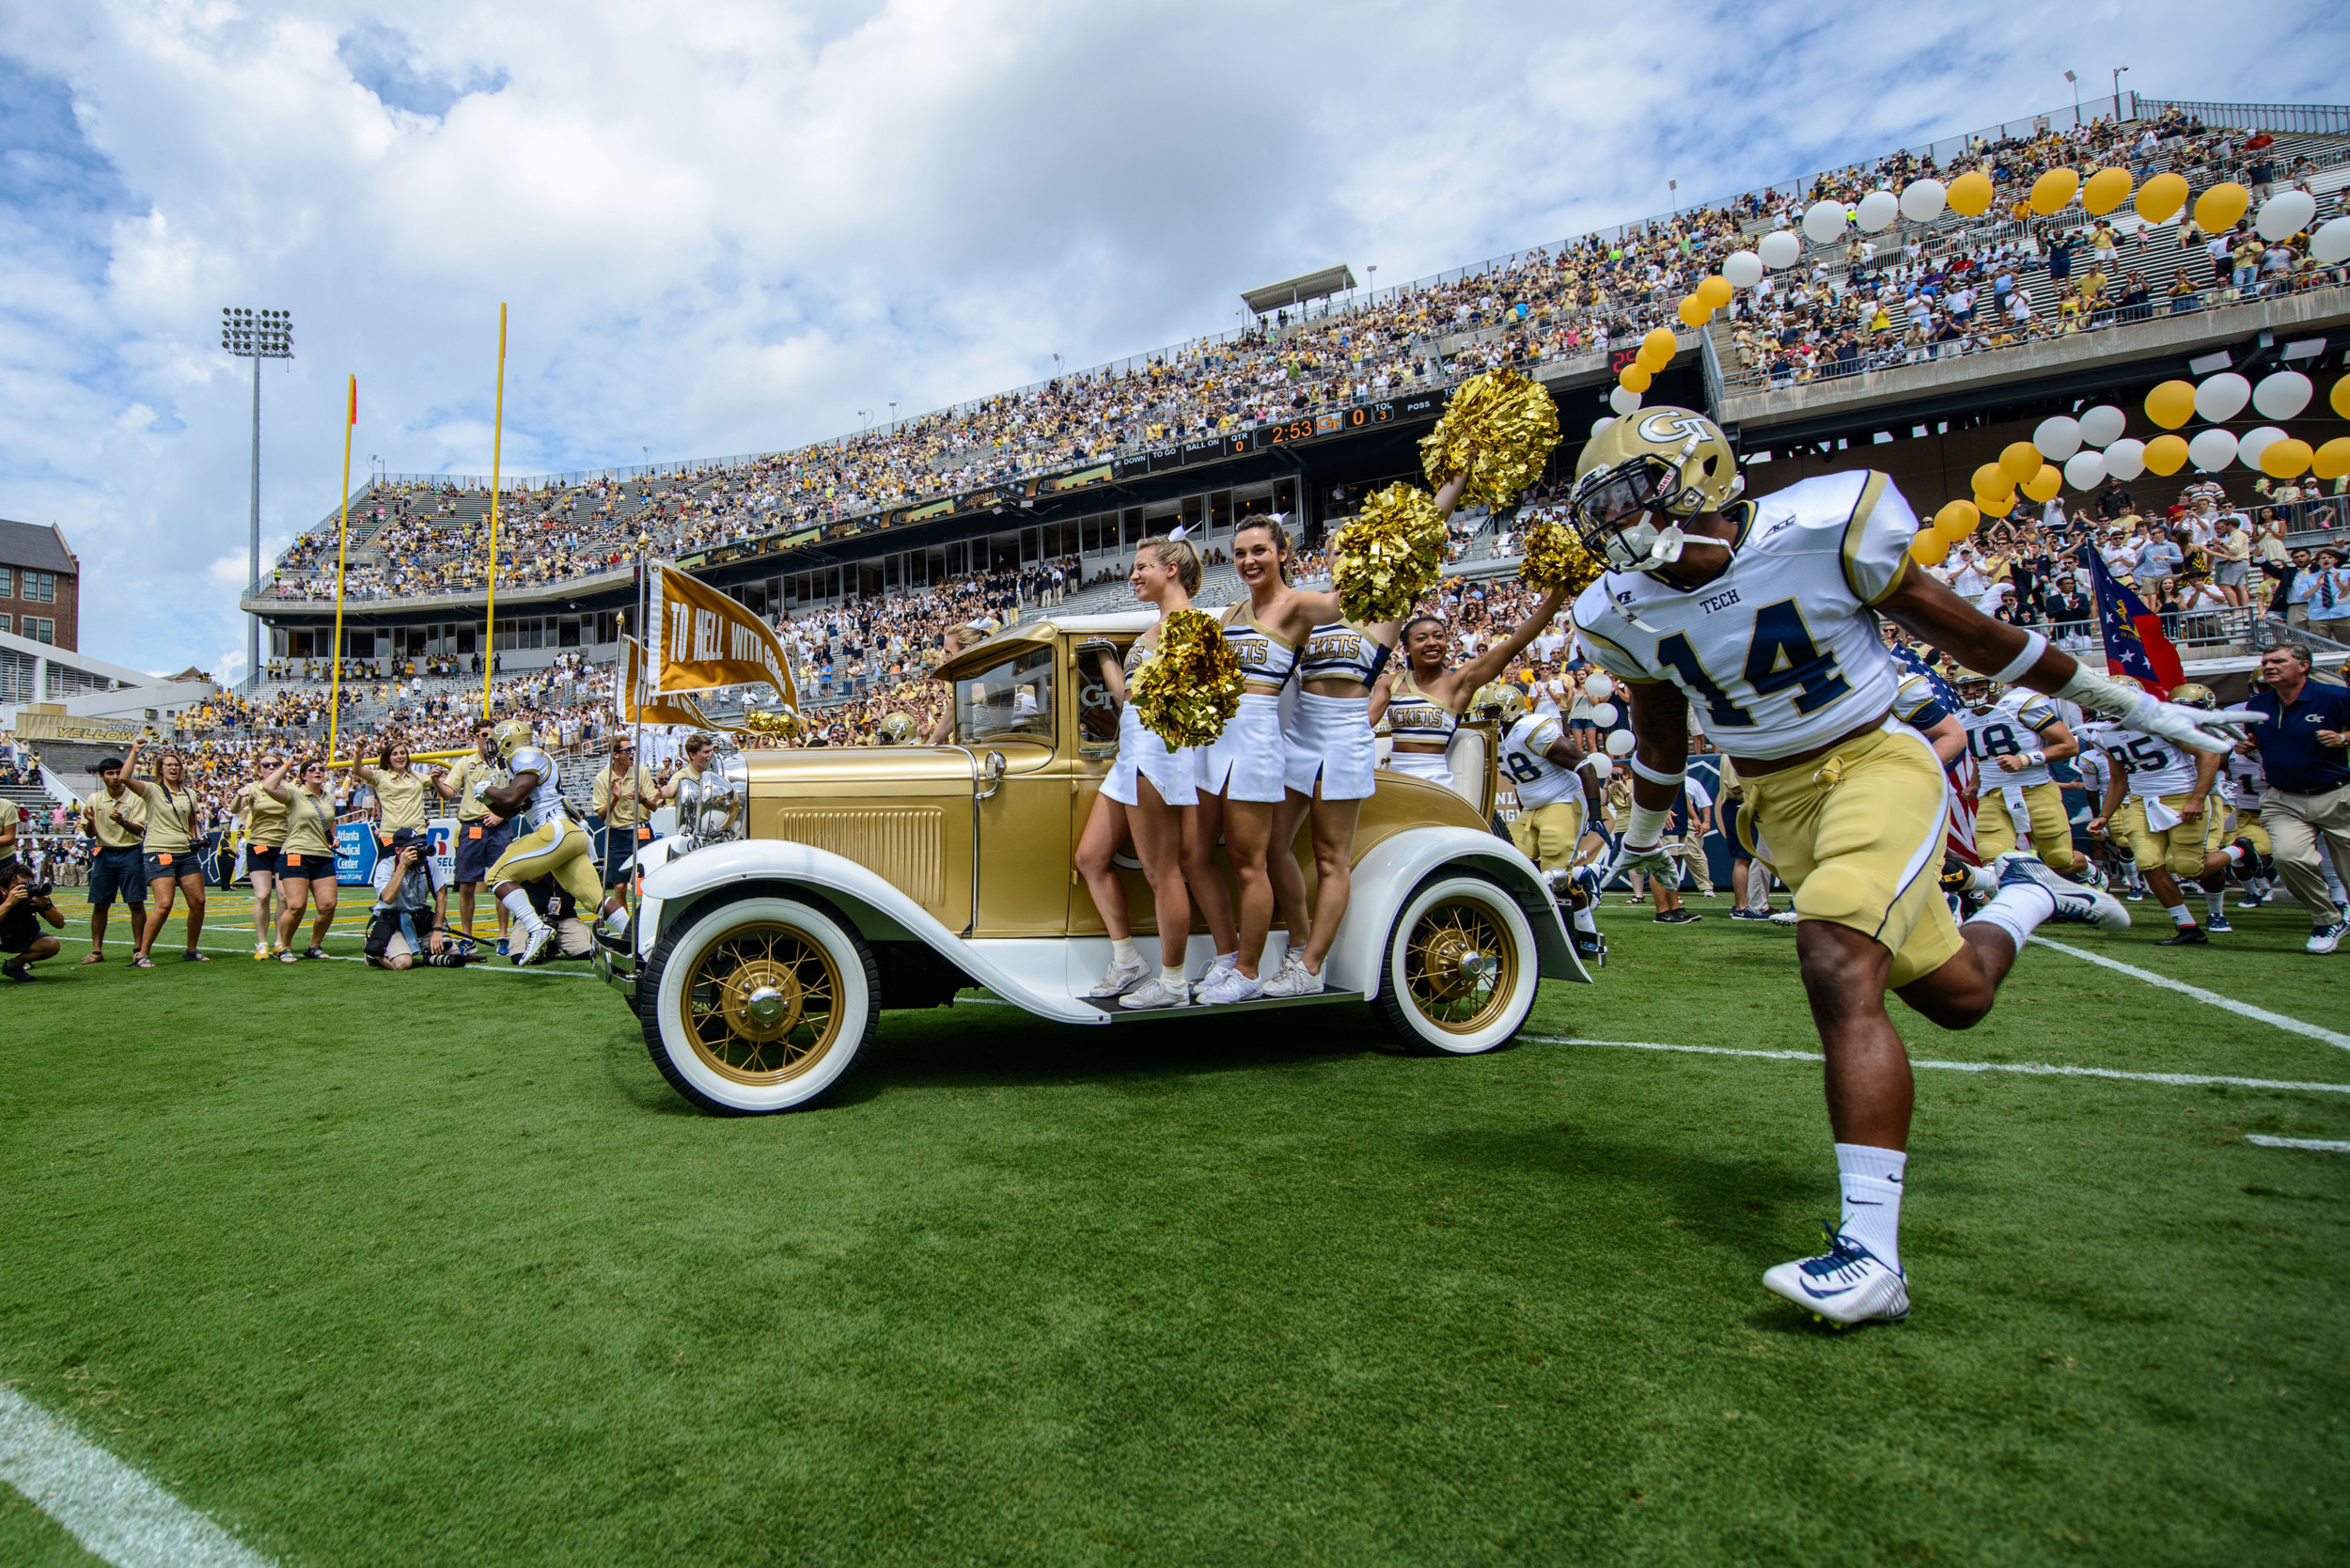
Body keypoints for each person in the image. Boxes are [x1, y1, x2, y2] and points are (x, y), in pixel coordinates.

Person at [1566, 406, 2255, 1326]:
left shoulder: (1820, 528)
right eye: (1600, 508)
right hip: (1776, 806)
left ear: (1702, 477)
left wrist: (2133, 706)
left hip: (1874, 765)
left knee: (1834, 952)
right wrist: (1642, 839)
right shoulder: (1619, 608)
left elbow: (1972, 638)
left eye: (1630, 498)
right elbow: (1656, 737)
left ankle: (1869, 1258)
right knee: (1957, 995)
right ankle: (2025, 897)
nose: (1614, 524)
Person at [1073, 535, 1210, 1011]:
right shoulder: (1154, 629)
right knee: (1090, 858)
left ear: (1171, 569)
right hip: (1129, 755)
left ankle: (1173, 980)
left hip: (1160, 757)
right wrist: (1110, 662)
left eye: (1142, 566)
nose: (1133, 575)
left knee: (1161, 871)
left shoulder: (1194, 626)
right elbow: (1131, 703)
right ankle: (1127, 958)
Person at [2082, 687, 2267, 947]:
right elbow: (2118, 778)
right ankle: (2187, 926)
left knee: (2189, 868)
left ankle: (2240, 850)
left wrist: (2196, 799)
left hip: (2181, 795)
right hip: (2141, 801)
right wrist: (2104, 815)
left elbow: (2209, 754)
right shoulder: (2103, 734)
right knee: (2147, 863)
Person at [479, 719, 630, 965]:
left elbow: (511, 796)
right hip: (571, 835)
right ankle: (640, 942)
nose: (494, 749)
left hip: (555, 829)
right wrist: (487, 798)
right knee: (597, 901)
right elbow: (509, 808)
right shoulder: (526, 761)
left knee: (496, 876)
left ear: (508, 740)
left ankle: (534, 927)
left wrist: (489, 790)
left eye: (496, 743)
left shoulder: (524, 755)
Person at [2238, 642, 2350, 952]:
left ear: (2303, 666)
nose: (2269, 666)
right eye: (2265, 661)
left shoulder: (2335, 697)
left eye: (2278, 661)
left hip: (2337, 794)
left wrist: (2343, 738)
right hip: (2283, 798)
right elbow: (2258, 739)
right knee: (2288, 858)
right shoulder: (2258, 704)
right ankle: (2327, 919)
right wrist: (2247, 746)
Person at [1489, 684, 1608, 963]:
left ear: (1510, 708)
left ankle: (1586, 933)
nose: (1488, 717)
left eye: (1493, 711)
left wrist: (1596, 815)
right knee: (1507, 866)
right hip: (1532, 807)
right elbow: (1522, 782)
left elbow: (1584, 766)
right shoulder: (1496, 737)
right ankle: (1581, 875)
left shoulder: (1530, 728)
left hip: (1563, 799)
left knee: (1554, 874)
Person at [1958, 679, 2086, 876]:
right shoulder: (1962, 718)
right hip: (1993, 795)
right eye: (1965, 688)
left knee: (2060, 860)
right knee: (1992, 861)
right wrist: (1974, 784)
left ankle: (2091, 873)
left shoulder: (2020, 706)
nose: (1971, 692)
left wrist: (2025, 760)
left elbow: (2069, 746)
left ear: (1995, 685)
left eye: (1978, 686)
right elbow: (1982, 756)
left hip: (2036, 790)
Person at [113, 738, 210, 968]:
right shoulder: (152, 791)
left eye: (177, 765)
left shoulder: (189, 794)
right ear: (160, 770)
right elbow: (125, 778)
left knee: (198, 901)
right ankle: (142, 953)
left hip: (185, 852)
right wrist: (136, 750)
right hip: (159, 851)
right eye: (168, 765)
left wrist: (197, 837)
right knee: (164, 904)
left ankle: (191, 949)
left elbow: (191, 822)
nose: (174, 768)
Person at [432, 722, 514, 953]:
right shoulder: (466, 762)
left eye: (493, 735)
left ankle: (502, 936)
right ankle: (467, 937)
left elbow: (518, 795)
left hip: (500, 825)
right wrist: (436, 781)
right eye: (484, 735)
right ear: (475, 737)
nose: (489, 739)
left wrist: (499, 814)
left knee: (503, 882)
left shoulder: (506, 763)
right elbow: (449, 793)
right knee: (467, 883)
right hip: (472, 826)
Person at [351, 738, 446, 926]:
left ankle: (422, 918)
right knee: (391, 878)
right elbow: (357, 770)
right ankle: (384, 918)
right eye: (395, 754)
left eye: (402, 753)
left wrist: (436, 776)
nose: (399, 756)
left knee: (420, 879)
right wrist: (359, 751)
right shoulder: (380, 776)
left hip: (417, 836)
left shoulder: (417, 777)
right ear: (388, 759)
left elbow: (443, 785)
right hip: (390, 837)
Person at [263, 755, 341, 962]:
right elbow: (268, 786)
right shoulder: (294, 793)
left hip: (322, 856)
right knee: (296, 906)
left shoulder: (329, 797)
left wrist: (333, 837)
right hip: (296, 853)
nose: (318, 772)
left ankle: (314, 945)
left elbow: (330, 821)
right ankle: (284, 946)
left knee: (328, 905)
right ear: (303, 775)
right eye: (313, 769)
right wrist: (288, 763)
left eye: (321, 769)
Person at [364, 827, 472, 969]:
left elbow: (441, 895)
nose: (418, 851)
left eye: (419, 845)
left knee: (454, 955)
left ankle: (425, 952)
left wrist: (437, 929)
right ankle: (374, 953)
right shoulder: (385, 866)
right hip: (391, 921)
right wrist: (402, 867)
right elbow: (388, 898)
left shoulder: (428, 863)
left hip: (419, 920)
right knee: (403, 963)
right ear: (398, 851)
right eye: (412, 848)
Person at [80, 755, 147, 964]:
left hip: (130, 852)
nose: (115, 777)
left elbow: (139, 831)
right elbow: (89, 834)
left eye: (119, 772)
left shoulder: (136, 798)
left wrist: (123, 821)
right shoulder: (94, 799)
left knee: (136, 903)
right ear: (102, 777)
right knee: (100, 904)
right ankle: (97, 951)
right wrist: (90, 822)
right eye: (110, 773)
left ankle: (139, 948)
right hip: (104, 853)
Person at [233, 750, 290, 959]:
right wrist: (238, 797)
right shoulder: (252, 788)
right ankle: (262, 943)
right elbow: (234, 809)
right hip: (259, 845)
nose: (271, 768)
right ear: (259, 770)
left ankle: (280, 941)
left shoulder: (288, 789)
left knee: (284, 897)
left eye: (275, 764)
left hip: (284, 846)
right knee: (262, 895)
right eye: (266, 765)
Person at [592, 737, 663, 889]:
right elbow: (601, 816)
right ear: (616, 755)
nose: (633, 753)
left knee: (650, 880)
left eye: (634, 749)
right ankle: (623, 914)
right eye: (629, 750)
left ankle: (644, 913)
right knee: (619, 886)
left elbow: (654, 807)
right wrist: (614, 799)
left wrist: (642, 798)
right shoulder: (602, 778)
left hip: (642, 831)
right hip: (617, 835)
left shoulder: (641, 771)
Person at [0, 855, 66, 980]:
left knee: (51, 945)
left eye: (28, 884)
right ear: (3, 889)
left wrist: (46, 906)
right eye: (19, 886)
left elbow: (60, 924)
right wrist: (8, 903)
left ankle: (14, 964)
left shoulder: (33, 894)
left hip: (20, 936)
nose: (25, 889)